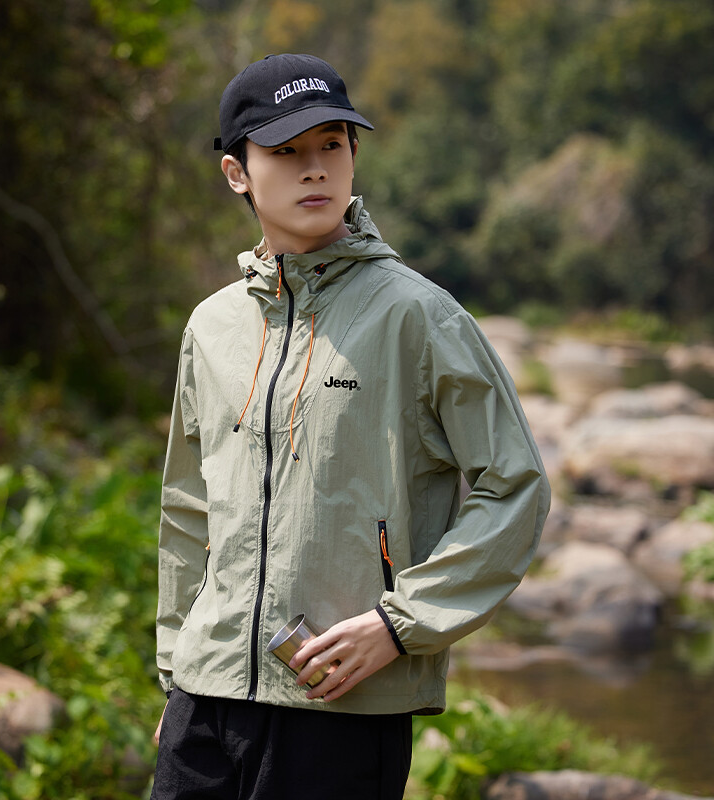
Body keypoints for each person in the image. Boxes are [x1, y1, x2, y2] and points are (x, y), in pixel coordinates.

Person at [151, 53, 550, 800]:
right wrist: (178, 666)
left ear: (354, 154)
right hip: (203, 703)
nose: (315, 168)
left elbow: (515, 486)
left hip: (340, 703)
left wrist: (401, 624)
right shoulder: (211, 326)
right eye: (286, 151)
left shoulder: (419, 316)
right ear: (237, 173)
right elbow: (186, 506)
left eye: (331, 144)